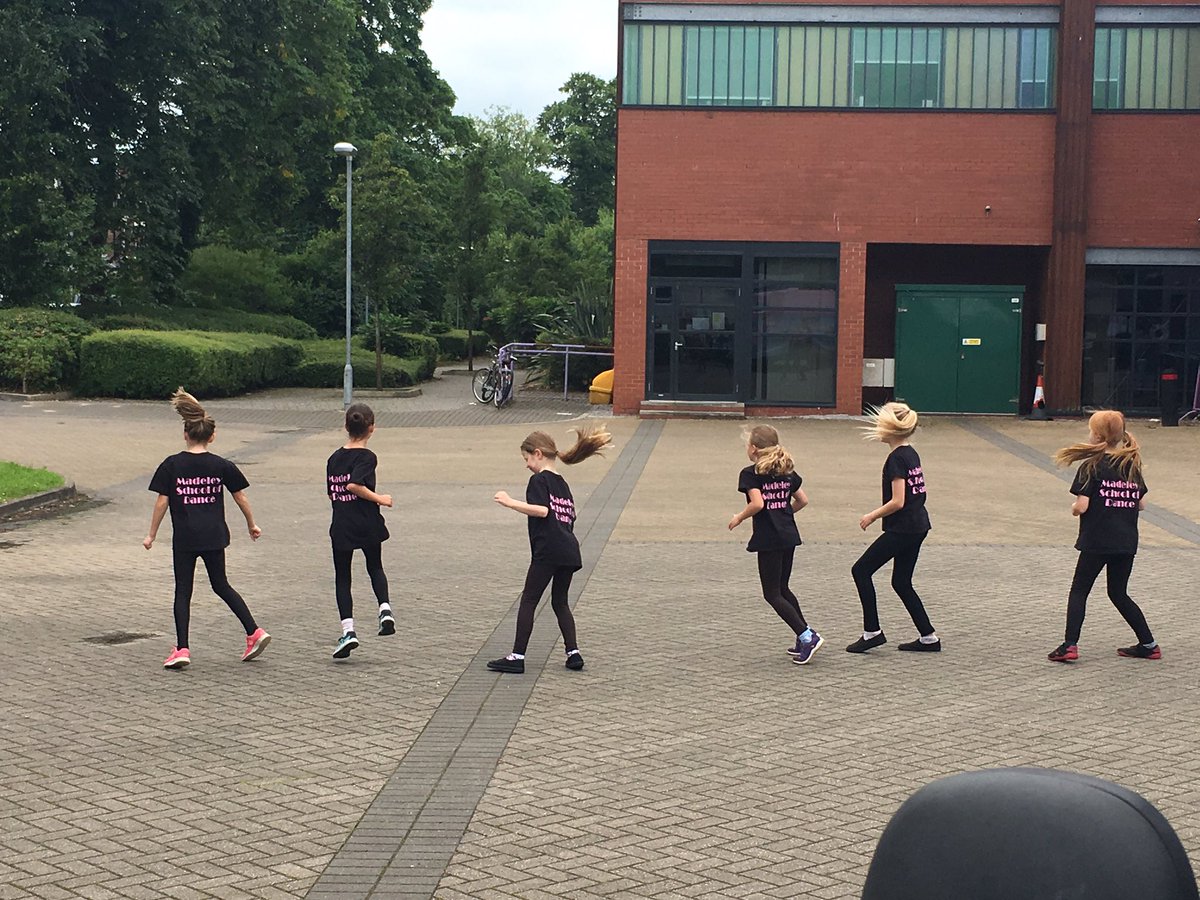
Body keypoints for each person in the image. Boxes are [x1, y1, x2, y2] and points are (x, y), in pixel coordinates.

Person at [144, 388, 270, 669]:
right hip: (215, 536)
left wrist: (151, 534)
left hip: (186, 537)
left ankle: (182, 649)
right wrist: (252, 524)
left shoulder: (172, 465)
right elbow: (241, 496)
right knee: (221, 585)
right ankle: (254, 631)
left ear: (185, 434)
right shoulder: (221, 465)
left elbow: (162, 502)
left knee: (182, 591)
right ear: (212, 436)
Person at [488, 426, 612, 674]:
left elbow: (543, 510)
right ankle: (573, 652)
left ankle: (517, 656)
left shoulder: (539, 480)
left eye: (526, 459)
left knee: (529, 600)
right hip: (569, 550)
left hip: (548, 550)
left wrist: (509, 502)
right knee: (560, 602)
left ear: (537, 454)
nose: (526, 465)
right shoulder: (562, 483)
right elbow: (570, 516)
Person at [1047, 411, 1159, 663]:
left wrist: (1074, 509)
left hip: (1097, 540)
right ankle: (1149, 644)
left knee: (1079, 590)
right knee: (1118, 593)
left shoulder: (1091, 466)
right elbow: (1141, 504)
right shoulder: (1130, 465)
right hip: (1126, 541)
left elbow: (1082, 505)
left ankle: (1069, 645)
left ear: (1097, 435)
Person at [847, 402, 940, 654]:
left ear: (891, 428)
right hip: (918, 524)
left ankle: (872, 632)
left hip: (904, 528)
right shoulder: (911, 453)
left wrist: (872, 516)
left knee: (861, 570)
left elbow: (898, 501)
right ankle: (928, 637)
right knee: (901, 581)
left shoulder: (896, 459)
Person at [728, 425, 821, 664]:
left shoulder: (750, 474)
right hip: (788, 535)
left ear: (754, 449)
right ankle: (803, 636)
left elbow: (757, 504)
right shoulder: (786, 471)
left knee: (771, 593)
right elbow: (803, 500)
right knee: (783, 588)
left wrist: (739, 516)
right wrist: (783, 513)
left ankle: (807, 635)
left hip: (769, 538)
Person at [326, 403, 394, 659]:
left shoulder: (333, 458)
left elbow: (332, 492)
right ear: (372, 428)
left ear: (346, 427)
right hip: (366, 521)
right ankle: (384, 609)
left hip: (341, 523)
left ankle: (348, 631)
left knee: (343, 578)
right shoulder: (367, 457)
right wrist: (380, 498)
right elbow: (354, 485)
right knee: (374, 566)